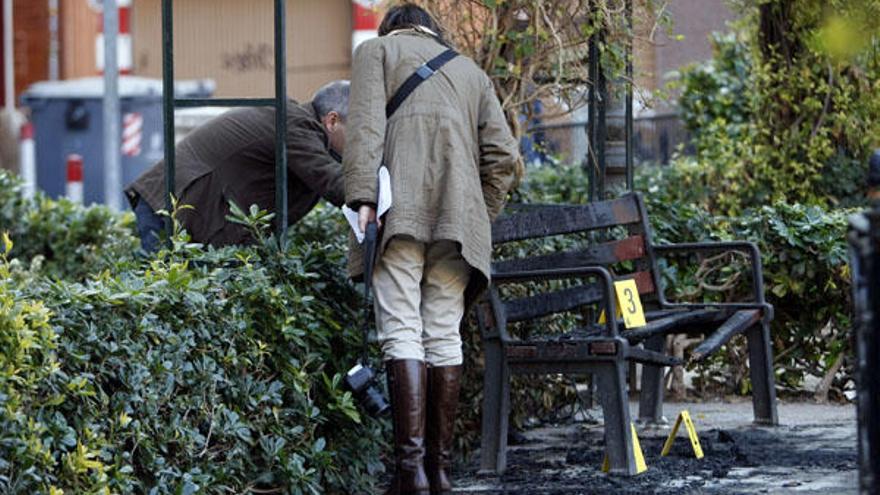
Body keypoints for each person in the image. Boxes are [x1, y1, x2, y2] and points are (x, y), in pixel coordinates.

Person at [343, 5, 520, 494]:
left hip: (398, 213)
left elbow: (363, 131)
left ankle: (411, 473)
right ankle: (439, 472)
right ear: (432, 29)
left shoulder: (375, 52)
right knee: (443, 333)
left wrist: (362, 198)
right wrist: (476, 212)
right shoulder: (471, 71)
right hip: (458, 223)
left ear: (392, 29)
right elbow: (503, 156)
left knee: (400, 328)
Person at [126, 80, 350, 251]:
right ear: (332, 121)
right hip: (169, 208)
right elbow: (331, 181)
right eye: (359, 131)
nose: (363, 141)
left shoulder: (300, 126)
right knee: (168, 302)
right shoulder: (294, 125)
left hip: (181, 210)